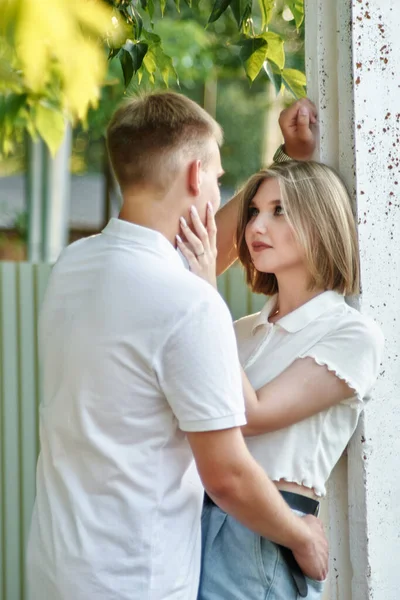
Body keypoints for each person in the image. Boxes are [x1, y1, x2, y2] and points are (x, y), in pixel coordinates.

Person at [26, 92, 328, 600]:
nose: (218, 186)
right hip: (135, 582)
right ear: (194, 176)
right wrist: (301, 535)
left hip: (56, 572)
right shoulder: (188, 304)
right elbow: (227, 475)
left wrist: (287, 161)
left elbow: (180, 253)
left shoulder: (73, 267)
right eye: (215, 175)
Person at [178, 160, 384, 600]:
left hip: (264, 539)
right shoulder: (238, 331)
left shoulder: (350, 333)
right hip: (194, 520)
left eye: (278, 210)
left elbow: (250, 414)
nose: (256, 225)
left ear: (320, 220)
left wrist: (203, 297)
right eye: (253, 211)